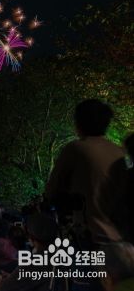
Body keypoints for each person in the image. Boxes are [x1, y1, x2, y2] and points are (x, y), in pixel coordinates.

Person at [45, 99, 125, 244]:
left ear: (79, 123)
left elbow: (52, 191)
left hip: (90, 237)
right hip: (120, 237)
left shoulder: (75, 149)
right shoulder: (119, 152)